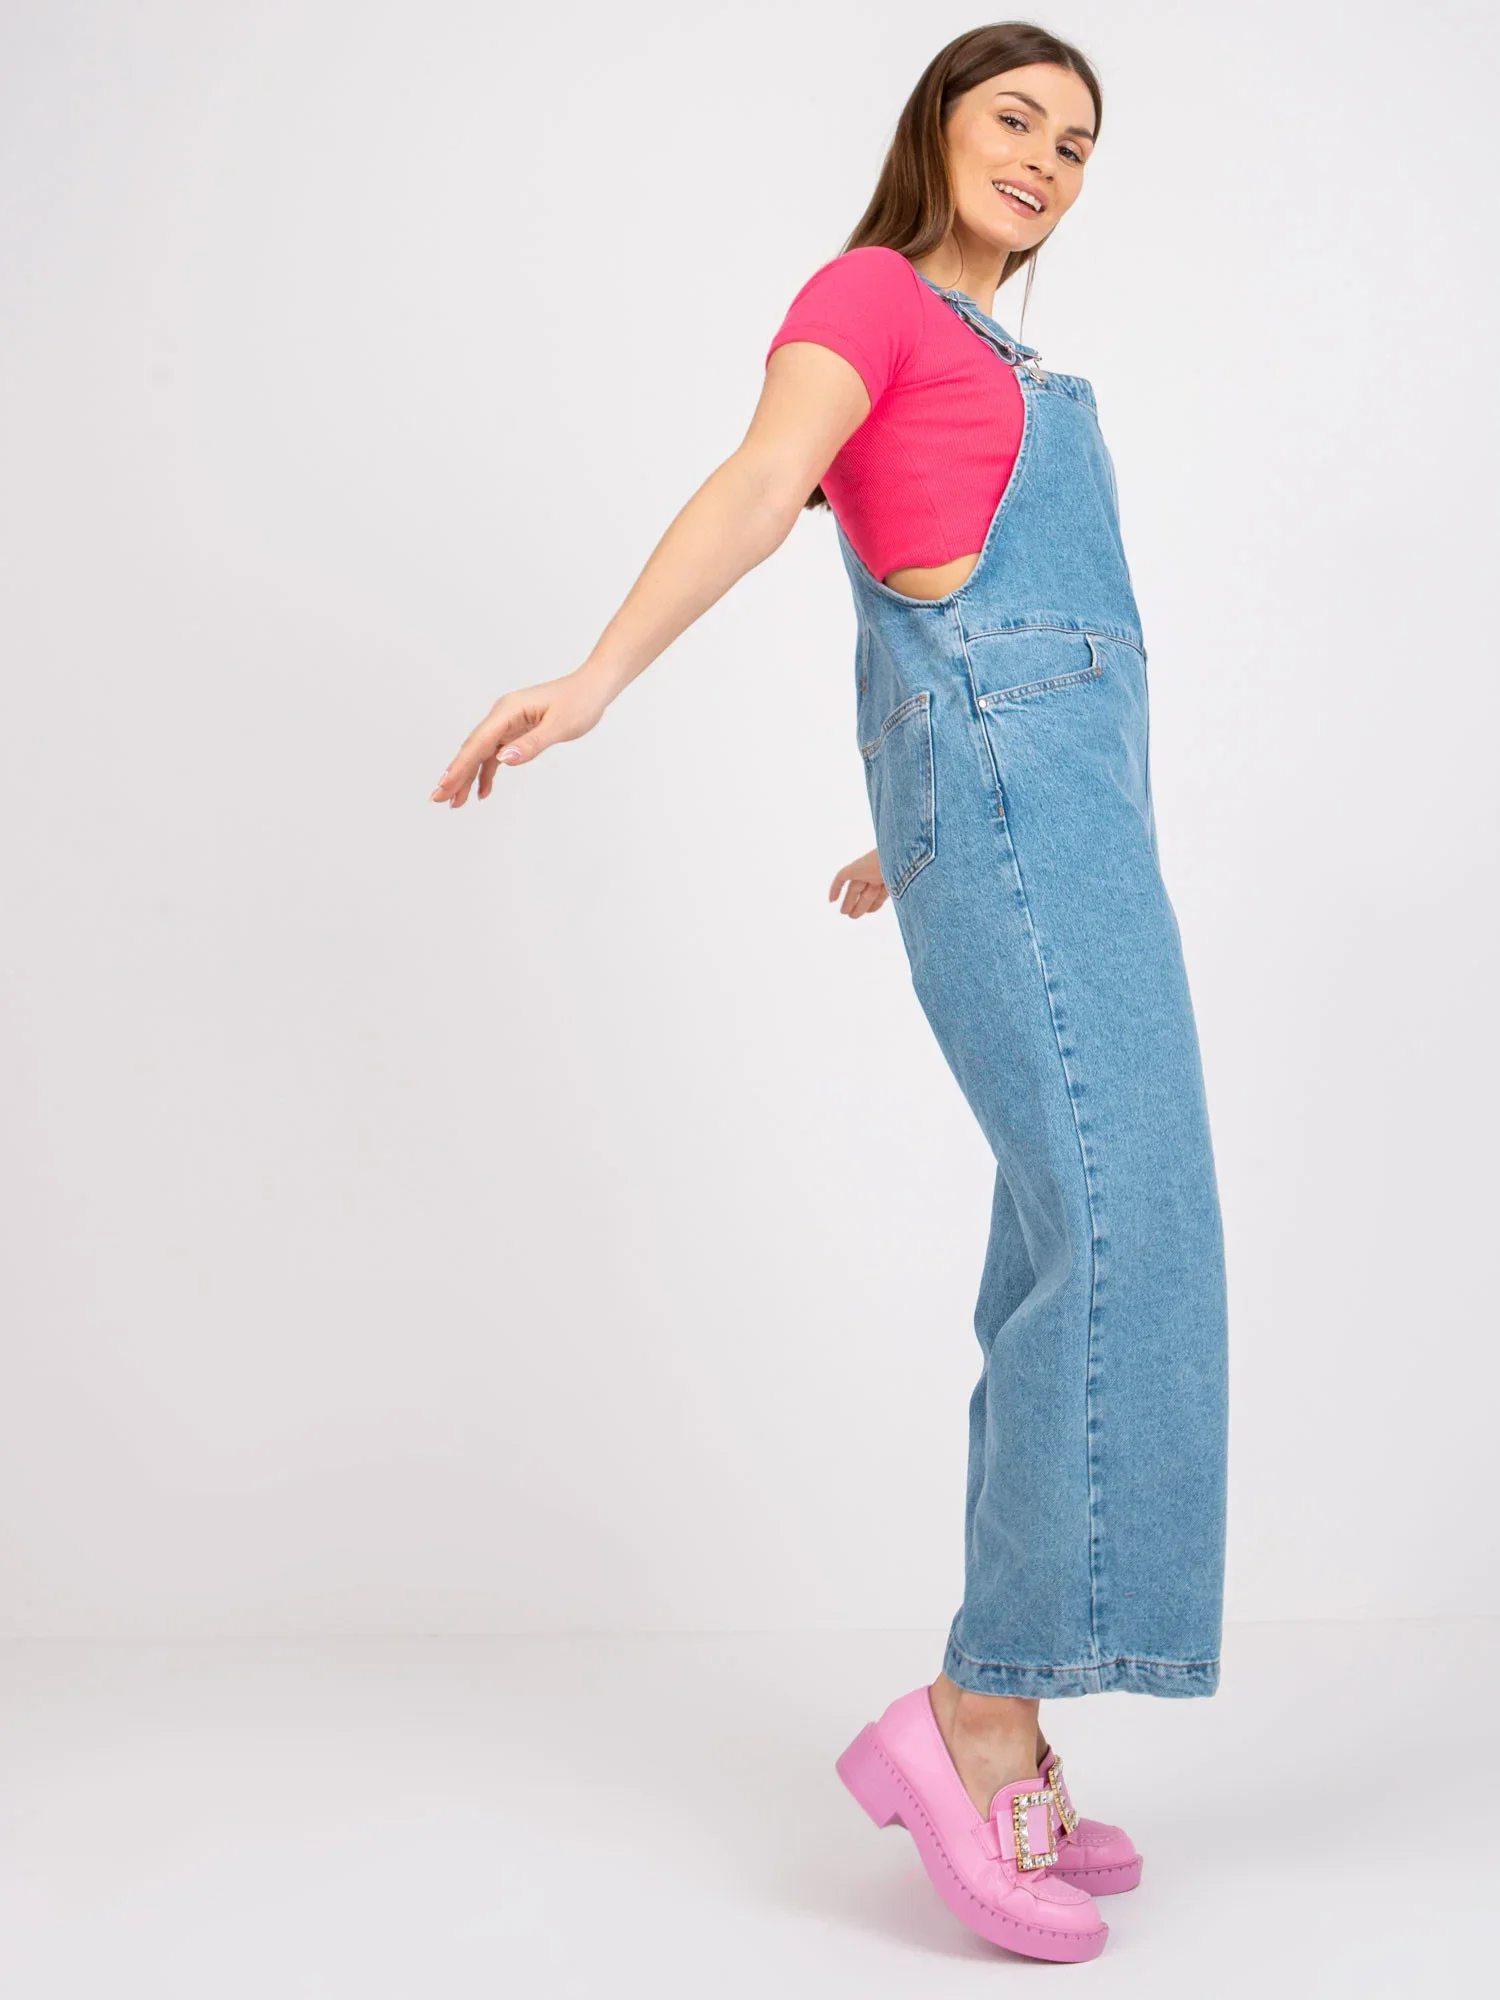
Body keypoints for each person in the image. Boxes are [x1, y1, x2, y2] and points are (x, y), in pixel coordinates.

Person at [430, 20, 1229, 1967]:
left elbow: (938, 604)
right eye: (1015, 117)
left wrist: (917, 821)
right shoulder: (867, 295)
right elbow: (768, 482)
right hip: (1024, 804)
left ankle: (1003, 1703)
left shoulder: (1010, 360)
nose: (1046, 158)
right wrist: (599, 674)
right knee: (1121, 1231)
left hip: (1057, 808)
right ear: (937, 126)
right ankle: (973, 1714)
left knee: (1078, 1230)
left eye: (1079, 142)